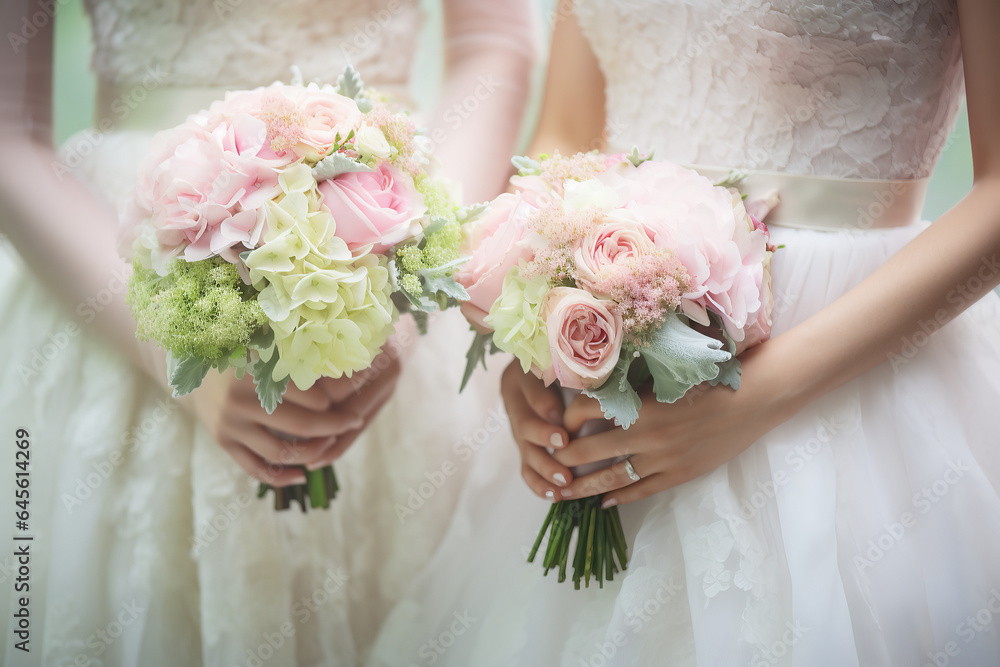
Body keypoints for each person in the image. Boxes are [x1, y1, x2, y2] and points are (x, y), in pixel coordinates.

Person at [369, 1, 1000, 665]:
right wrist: (537, 329)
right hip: (611, 356)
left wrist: (754, 398)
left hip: (849, 372)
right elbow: (567, 130)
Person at [0, 1, 533, 664]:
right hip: (121, 265)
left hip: (386, 235)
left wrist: (398, 310)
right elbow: (8, 132)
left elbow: (492, 42)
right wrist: (170, 347)